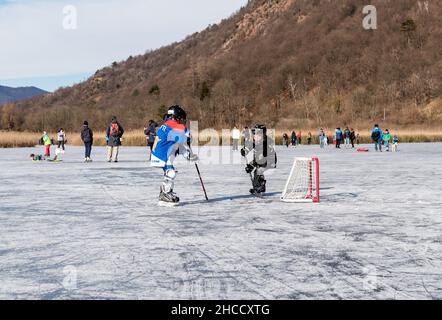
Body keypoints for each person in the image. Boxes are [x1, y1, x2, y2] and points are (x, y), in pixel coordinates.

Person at [151, 105, 198, 205]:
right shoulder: (171, 124)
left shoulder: (166, 125)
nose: (181, 120)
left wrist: (188, 154)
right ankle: (165, 194)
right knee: (170, 172)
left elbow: (180, 143)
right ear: (176, 116)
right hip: (162, 155)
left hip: (163, 153)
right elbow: (186, 134)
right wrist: (188, 139)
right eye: (180, 118)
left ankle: (166, 192)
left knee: (170, 171)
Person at [241, 125, 277, 197]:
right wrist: (244, 151)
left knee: (258, 171)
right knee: (256, 171)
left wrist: (251, 165)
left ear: (263, 135)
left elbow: (260, 159)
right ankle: (256, 187)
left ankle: (261, 187)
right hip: (259, 160)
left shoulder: (265, 144)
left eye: (257, 135)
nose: (255, 136)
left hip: (269, 161)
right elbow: (250, 146)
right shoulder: (257, 141)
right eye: (254, 135)